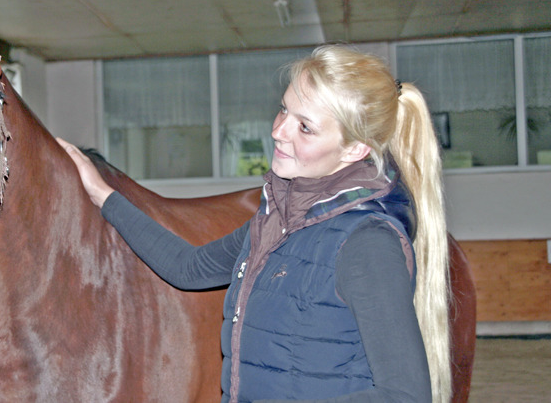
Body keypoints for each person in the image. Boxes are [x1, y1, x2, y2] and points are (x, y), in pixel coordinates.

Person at [57, 45, 450, 403]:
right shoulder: (275, 223)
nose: (278, 131)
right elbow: (188, 267)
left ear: (355, 149)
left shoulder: (366, 243)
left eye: (305, 127)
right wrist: (101, 193)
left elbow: (405, 394)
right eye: (284, 110)